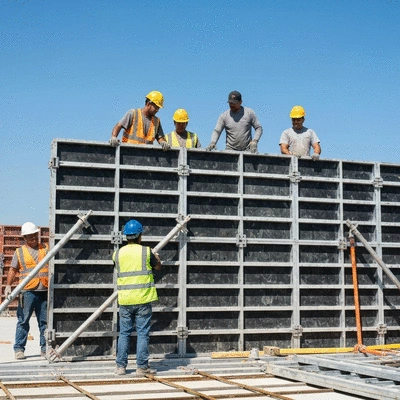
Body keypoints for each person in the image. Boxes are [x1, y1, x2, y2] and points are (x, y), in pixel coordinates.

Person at [113, 219, 161, 376]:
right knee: (142, 333)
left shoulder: (117, 253)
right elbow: (158, 266)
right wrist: (156, 256)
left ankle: (121, 367)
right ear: (140, 235)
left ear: (126, 236)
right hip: (142, 299)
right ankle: (141, 367)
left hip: (125, 300)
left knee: (124, 333)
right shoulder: (146, 252)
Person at [5, 222, 48, 360]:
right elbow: (13, 269)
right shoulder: (20, 252)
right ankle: (19, 349)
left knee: (45, 322)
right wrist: (8, 286)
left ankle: (45, 348)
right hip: (27, 292)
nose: (34, 239)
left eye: (35, 236)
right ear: (25, 238)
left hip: (44, 291)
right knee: (23, 321)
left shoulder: (45, 249)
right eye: (31, 237)